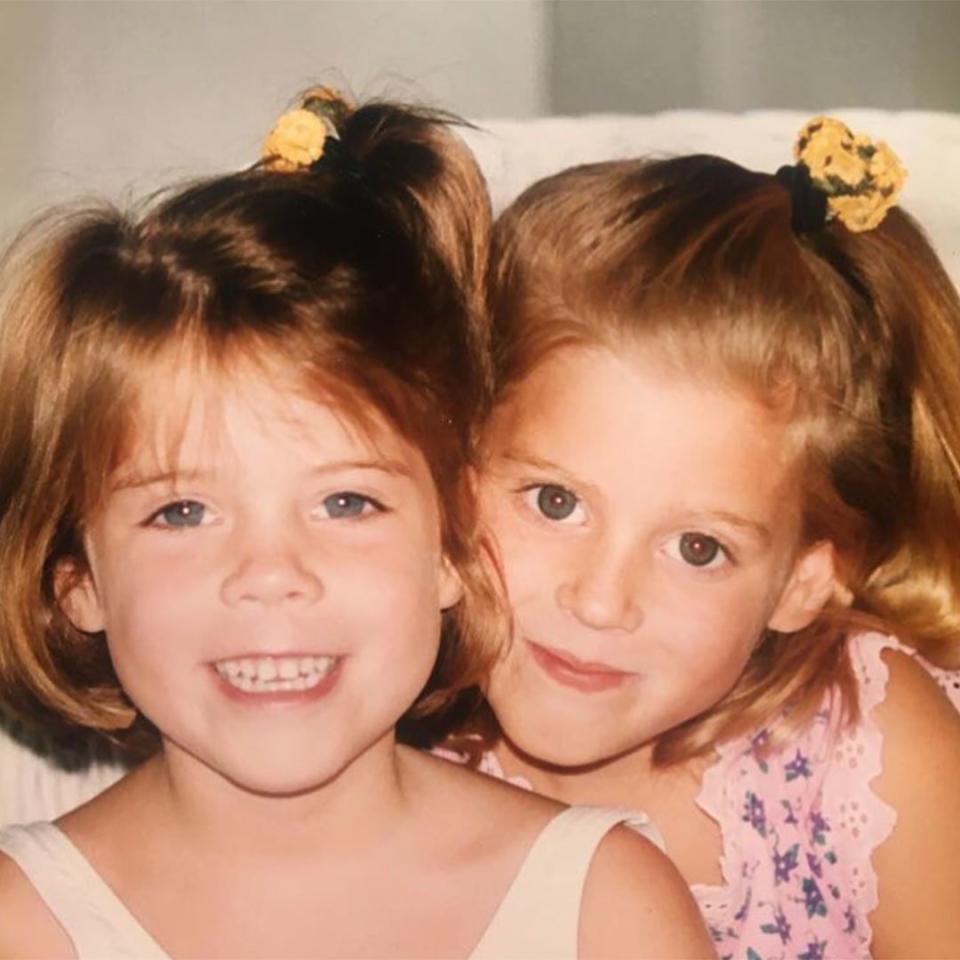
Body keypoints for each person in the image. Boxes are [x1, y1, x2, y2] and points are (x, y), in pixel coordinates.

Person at [0, 90, 712, 959]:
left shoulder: (602, 903)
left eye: (346, 503)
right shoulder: (24, 922)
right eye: (181, 511)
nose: (271, 572)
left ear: (452, 544)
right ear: (78, 581)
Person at [455, 117, 960, 959]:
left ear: (804, 580)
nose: (601, 600)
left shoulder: (863, 752)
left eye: (697, 549)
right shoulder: (391, 748)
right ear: (455, 472)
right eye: (554, 501)